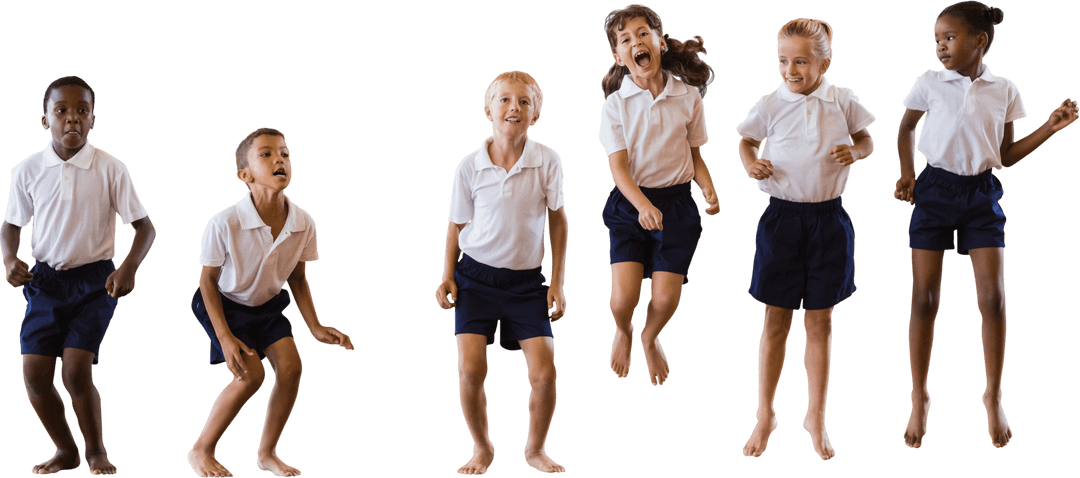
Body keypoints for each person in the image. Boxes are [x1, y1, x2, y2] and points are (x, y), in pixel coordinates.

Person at [895, 0, 1079, 451]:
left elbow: (1007, 157)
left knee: (993, 299)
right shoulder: (929, 83)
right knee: (924, 299)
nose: (940, 46)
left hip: (981, 194)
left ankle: (993, 397)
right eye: (936, 39)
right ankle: (919, 397)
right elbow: (905, 131)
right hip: (934, 191)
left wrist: (1050, 128)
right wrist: (906, 172)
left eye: (949, 38)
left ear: (980, 40)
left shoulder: (1005, 90)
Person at [3, 74, 158, 476]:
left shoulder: (111, 168)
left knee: (75, 369)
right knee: (34, 374)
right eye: (62, 111)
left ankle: (95, 451)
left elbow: (145, 227)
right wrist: (9, 258)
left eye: (81, 111)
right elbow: (11, 224)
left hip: (96, 283)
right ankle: (66, 450)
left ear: (93, 121)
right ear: (45, 121)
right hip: (45, 282)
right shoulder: (26, 170)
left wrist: (129, 267)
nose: (72, 119)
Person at [735, 18, 876, 461]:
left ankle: (816, 415)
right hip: (781, 220)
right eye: (782, 61)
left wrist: (855, 152)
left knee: (820, 322)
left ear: (824, 62)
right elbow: (745, 141)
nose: (790, 70)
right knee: (775, 322)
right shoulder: (770, 103)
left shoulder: (843, 100)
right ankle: (764, 413)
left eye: (800, 61)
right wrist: (749, 163)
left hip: (828, 222)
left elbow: (867, 140)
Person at [186, 127, 353, 478]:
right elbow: (206, 282)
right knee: (251, 376)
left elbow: (298, 277)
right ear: (244, 176)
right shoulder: (224, 222)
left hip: (267, 305)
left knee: (292, 368)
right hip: (223, 303)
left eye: (285, 154)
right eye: (266, 154)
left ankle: (266, 454)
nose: (279, 159)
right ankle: (201, 450)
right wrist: (226, 337)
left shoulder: (303, 222)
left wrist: (315, 326)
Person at [434, 70, 569, 476]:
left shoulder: (547, 160)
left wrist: (558, 283)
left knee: (545, 371)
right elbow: (456, 224)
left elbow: (559, 222)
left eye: (524, 102)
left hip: (527, 282)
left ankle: (535, 449)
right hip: (474, 278)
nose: (515, 107)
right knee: (471, 369)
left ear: (536, 114)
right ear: (487, 109)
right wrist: (446, 275)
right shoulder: (470, 166)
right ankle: (482, 448)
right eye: (506, 100)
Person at [599, 4, 721, 387]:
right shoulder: (616, 105)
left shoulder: (687, 97)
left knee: (666, 300)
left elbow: (695, 153)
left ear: (660, 42)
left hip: (677, 204)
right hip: (630, 203)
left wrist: (708, 187)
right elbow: (618, 168)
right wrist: (642, 205)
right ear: (618, 56)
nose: (636, 42)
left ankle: (650, 336)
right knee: (623, 301)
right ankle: (625, 330)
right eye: (625, 40)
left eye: (642, 34)